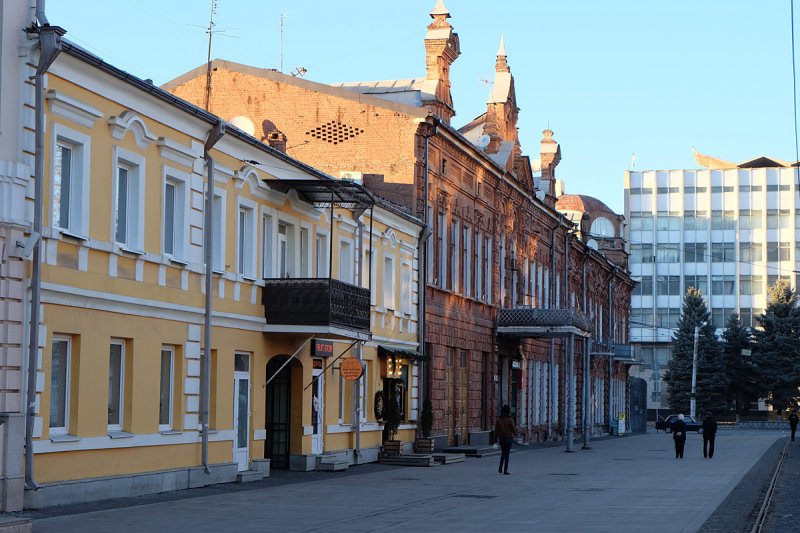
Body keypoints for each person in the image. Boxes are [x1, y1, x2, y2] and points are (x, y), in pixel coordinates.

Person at [495, 404, 516, 475]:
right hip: (508, 438)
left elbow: (496, 430)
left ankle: (500, 468)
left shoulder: (498, 420)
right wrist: (515, 434)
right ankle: (505, 470)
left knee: (503, 453)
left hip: (501, 439)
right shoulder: (510, 419)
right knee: (507, 454)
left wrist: (496, 438)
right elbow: (513, 429)